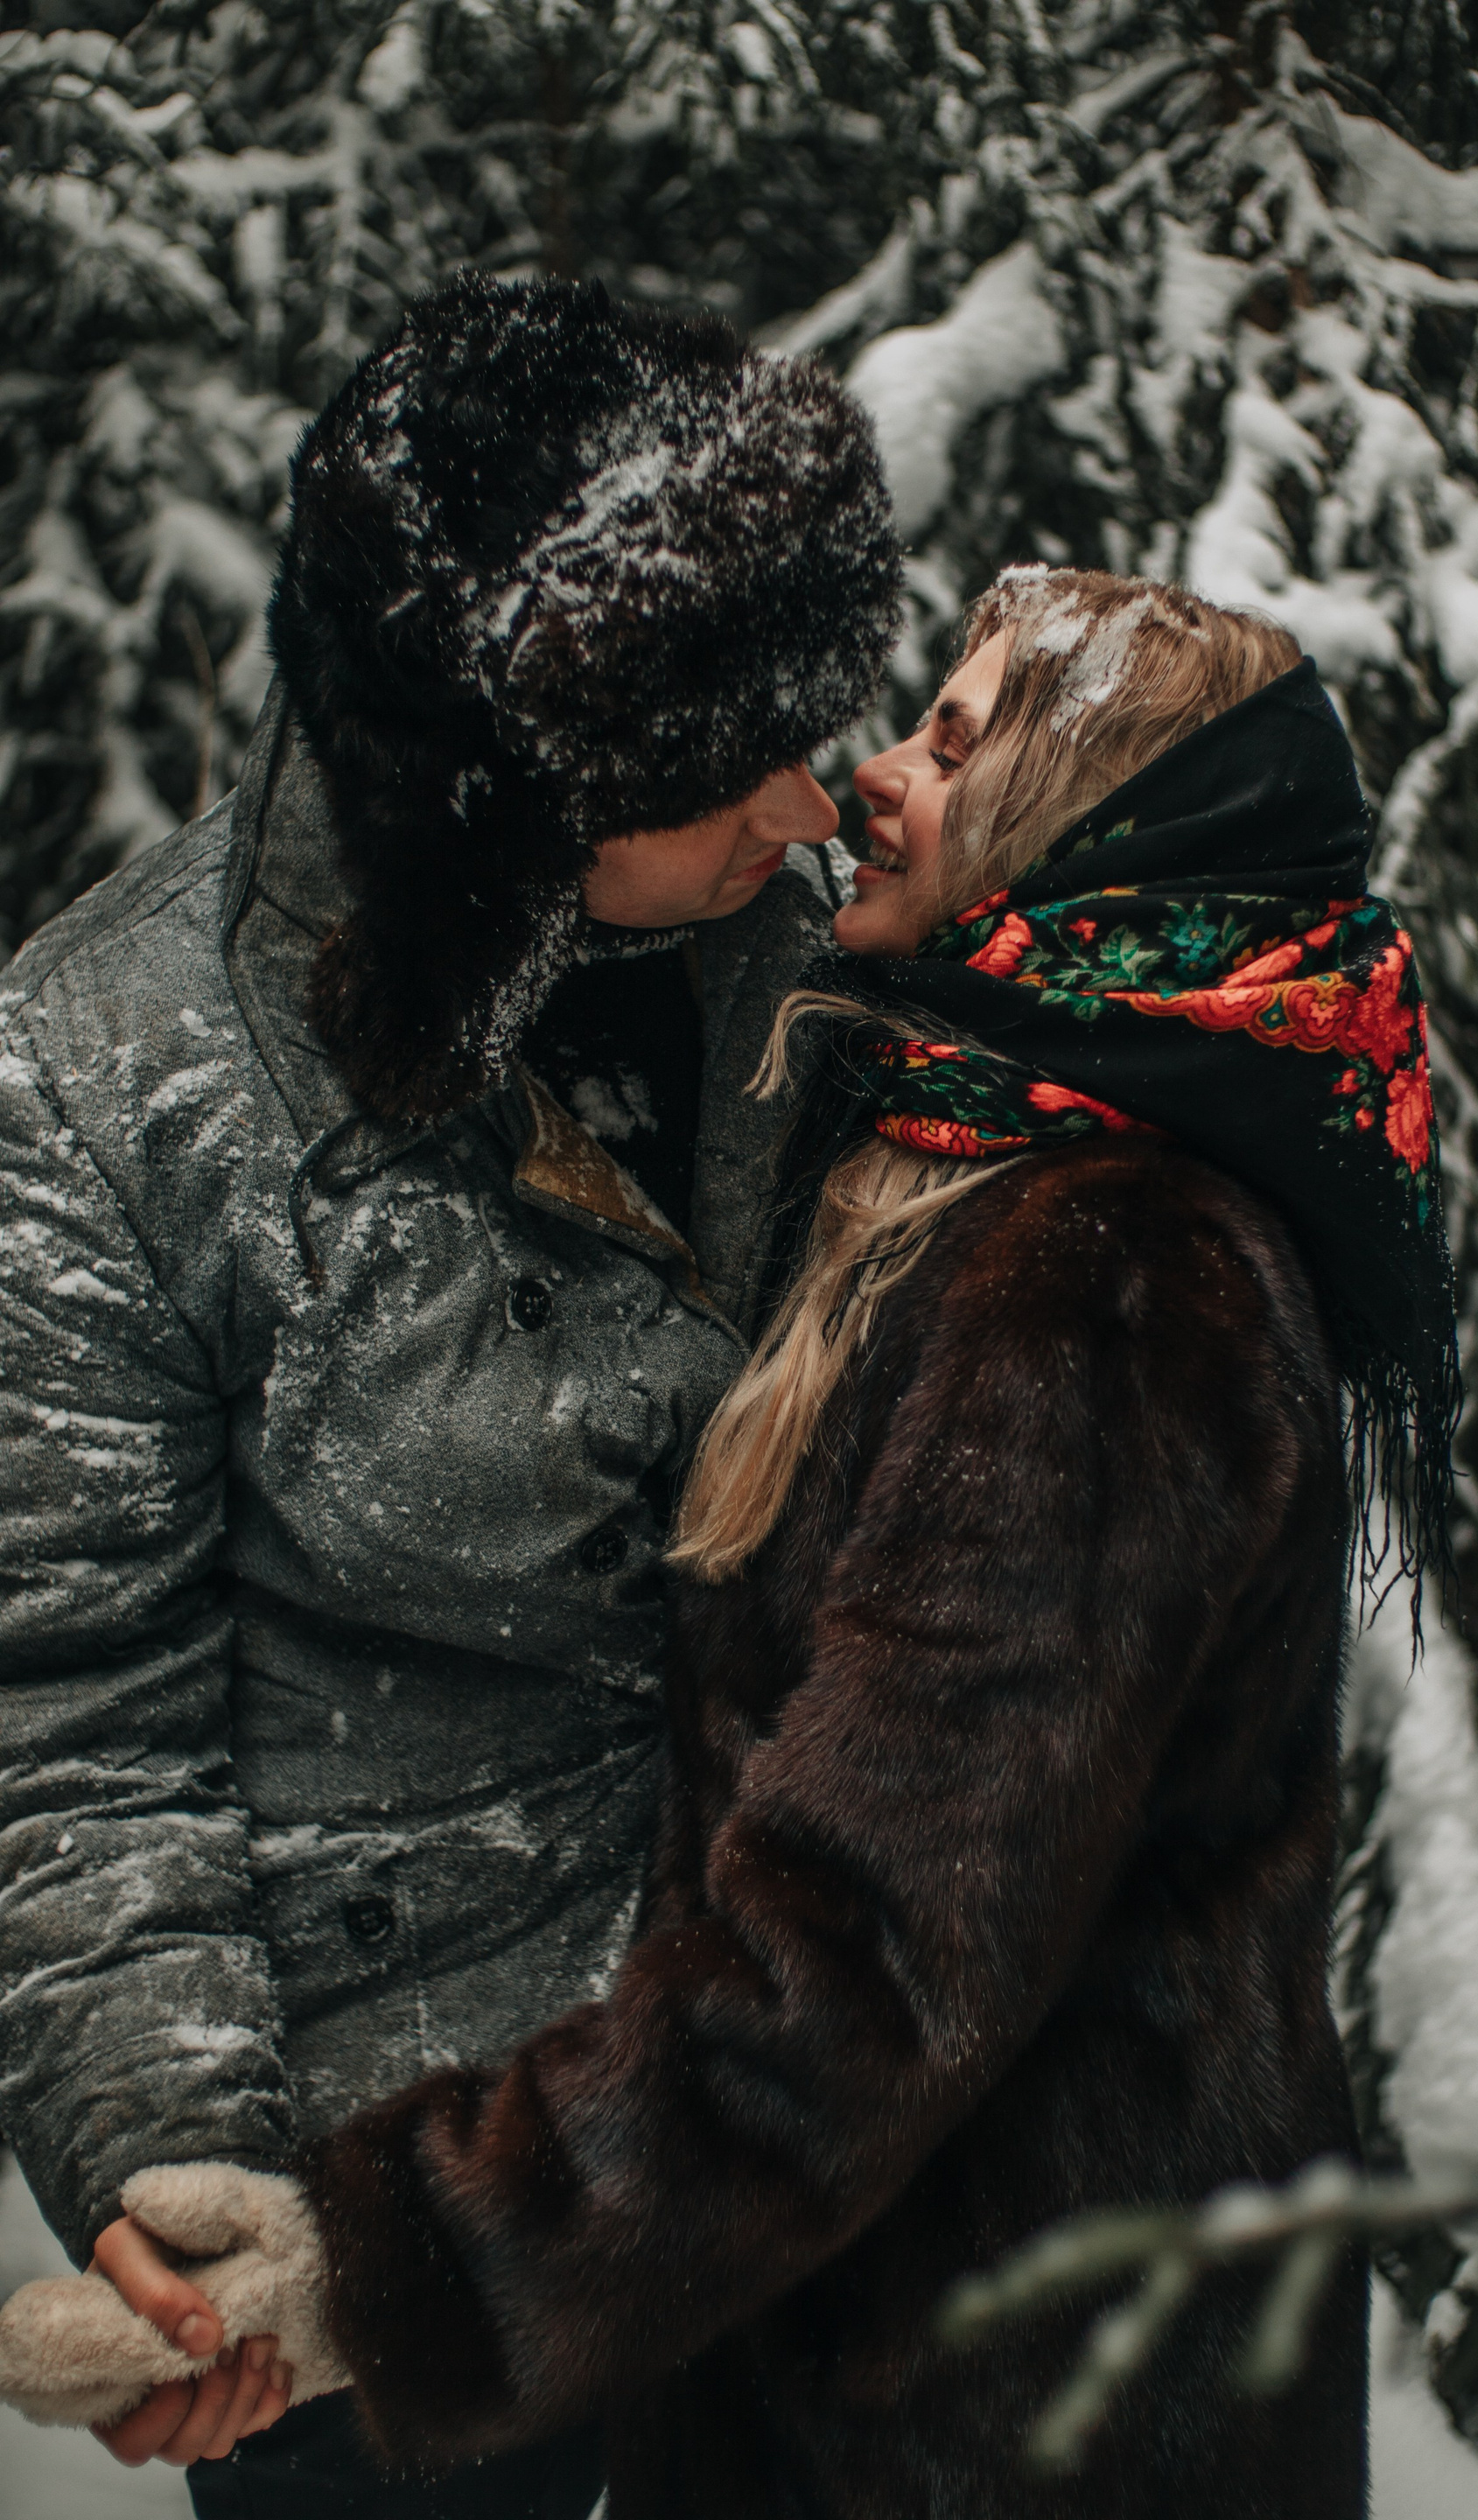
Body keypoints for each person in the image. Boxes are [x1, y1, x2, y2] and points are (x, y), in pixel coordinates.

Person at [4, 569, 1460, 2515]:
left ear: (1087, 839)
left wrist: (387, 2275)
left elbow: (861, 1962)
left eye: (957, 742)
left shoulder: (1106, 1289)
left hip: (1015, 2402)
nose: (866, 781)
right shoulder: (969, 1135)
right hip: (896, 2331)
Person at [0, 269, 900, 2516]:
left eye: (814, 727)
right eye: (727, 768)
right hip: (402, 2202)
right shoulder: (107, 1083)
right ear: (509, 803)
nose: (813, 802)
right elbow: (74, 1714)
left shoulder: (825, 948)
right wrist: (188, 2168)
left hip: (794, 2103)